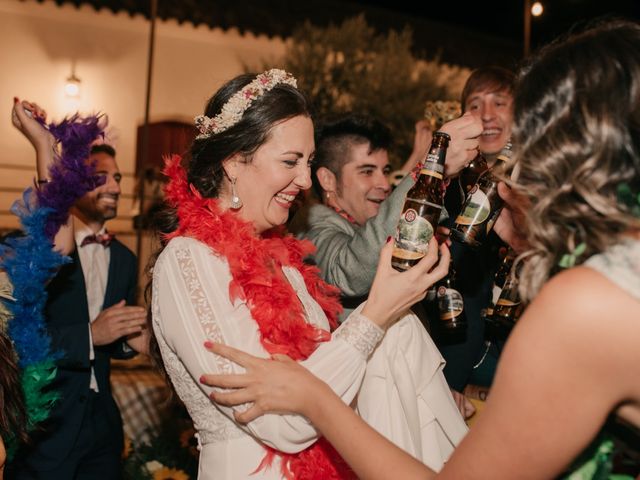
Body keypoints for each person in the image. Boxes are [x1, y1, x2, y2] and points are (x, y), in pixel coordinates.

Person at [201, 20, 640, 479]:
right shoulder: (609, 276)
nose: (501, 159)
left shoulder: (586, 303)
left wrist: (315, 399)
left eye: (519, 140)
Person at [147, 69, 466, 479]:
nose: (303, 180)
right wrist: (376, 314)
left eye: (309, 162)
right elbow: (282, 424)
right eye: (289, 161)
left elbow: (328, 386)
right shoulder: (187, 260)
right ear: (232, 162)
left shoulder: (286, 264)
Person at [9, 101, 147, 479]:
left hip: (101, 425)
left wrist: (130, 339)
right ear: (73, 184)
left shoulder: (124, 257)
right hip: (45, 425)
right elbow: (17, 339)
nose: (116, 186)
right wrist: (89, 335)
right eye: (102, 176)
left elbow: (114, 336)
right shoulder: (26, 250)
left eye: (119, 177)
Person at [436, 66, 517, 394]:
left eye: (499, 103)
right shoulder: (450, 187)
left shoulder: (547, 178)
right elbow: (462, 294)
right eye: (475, 105)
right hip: (471, 356)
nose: (487, 115)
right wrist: (454, 385)